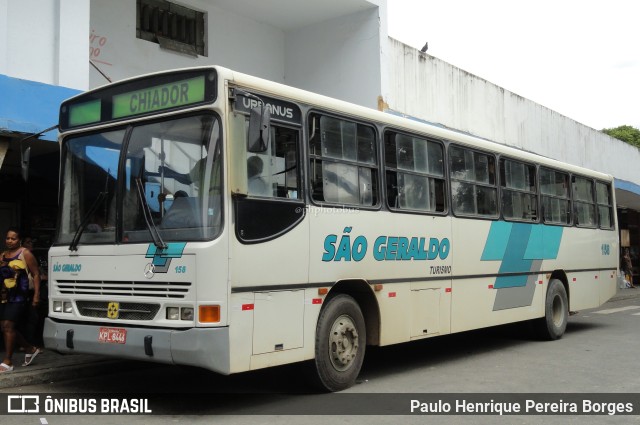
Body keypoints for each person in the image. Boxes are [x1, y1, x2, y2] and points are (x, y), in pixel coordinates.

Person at [0, 227, 43, 372]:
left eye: (13, 238)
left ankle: (8, 361)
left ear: (19, 240)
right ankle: (29, 348)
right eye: (8, 238)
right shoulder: (3, 255)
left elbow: (36, 274)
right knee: (6, 327)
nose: (10, 241)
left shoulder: (26, 253)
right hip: (5, 295)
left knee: (7, 325)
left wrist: (36, 295)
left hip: (20, 295)